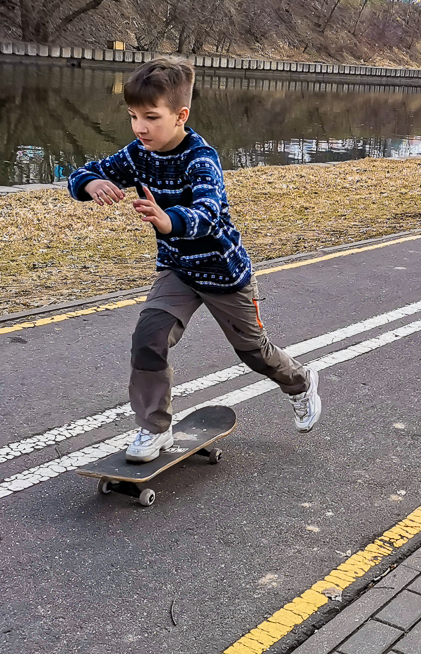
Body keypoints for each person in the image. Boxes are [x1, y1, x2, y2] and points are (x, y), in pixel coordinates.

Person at [68, 58, 321, 462]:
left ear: (180, 115)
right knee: (148, 338)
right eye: (133, 116)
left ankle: (300, 381)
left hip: (223, 274)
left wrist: (170, 221)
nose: (140, 127)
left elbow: (208, 211)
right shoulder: (138, 154)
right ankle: (154, 430)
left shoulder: (200, 159)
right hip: (178, 271)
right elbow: (83, 172)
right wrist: (92, 182)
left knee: (254, 353)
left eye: (151, 117)